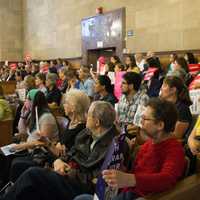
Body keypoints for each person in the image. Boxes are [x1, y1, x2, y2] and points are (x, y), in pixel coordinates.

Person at [1, 101, 118, 200]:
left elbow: (95, 179)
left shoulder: (113, 145)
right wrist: (59, 161)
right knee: (31, 184)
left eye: (89, 115)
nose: (86, 116)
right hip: (70, 173)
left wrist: (68, 170)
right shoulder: (86, 133)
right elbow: (72, 152)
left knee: (33, 174)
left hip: (81, 186)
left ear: (97, 122)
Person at [75, 98, 186, 200]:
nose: (140, 122)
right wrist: (121, 171)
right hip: (124, 192)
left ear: (160, 125)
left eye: (145, 119)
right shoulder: (149, 144)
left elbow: (166, 179)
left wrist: (130, 179)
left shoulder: (174, 150)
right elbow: (136, 172)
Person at [159, 76, 192, 141]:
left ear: (173, 90)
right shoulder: (163, 106)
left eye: (164, 85)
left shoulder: (183, 109)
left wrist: (156, 133)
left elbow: (177, 135)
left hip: (170, 144)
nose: (161, 88)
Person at [117, 72, 149, 137]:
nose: (120, 86)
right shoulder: (122, 97)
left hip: (135, 134)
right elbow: (118, 118)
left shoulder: (143, 98)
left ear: (131, 86)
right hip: (121, 132)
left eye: (124, 83)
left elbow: (139, 124)